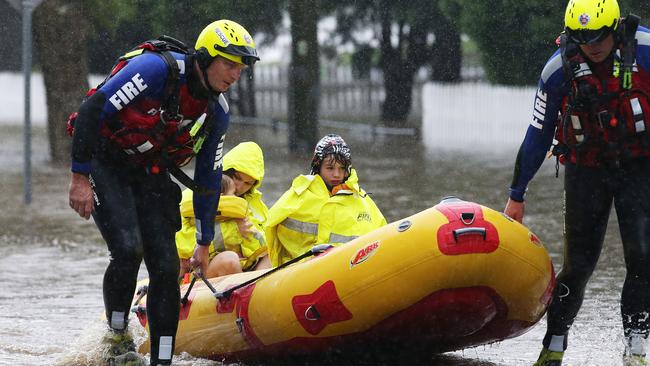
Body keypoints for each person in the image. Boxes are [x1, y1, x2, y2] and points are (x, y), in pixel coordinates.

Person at [67, 20, 259, 365]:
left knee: (167, 267)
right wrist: (79, 176)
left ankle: (163, 360)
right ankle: (117, 334)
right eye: (229, 65)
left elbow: (209, 177)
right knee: (128, 249)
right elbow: (92, 110)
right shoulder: (155, 69)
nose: (234, 76)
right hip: (104, 160)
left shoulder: (218, 112)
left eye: (240, 69)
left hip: (149, 170)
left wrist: (203, 242)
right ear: (204, 58)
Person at [503, 1, 650, 364]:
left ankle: (636, 348)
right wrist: (516, 194)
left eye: (599, 36)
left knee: (643, 259)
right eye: (582, 38)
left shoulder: (646, 50)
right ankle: (553, 346)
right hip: (587, 171)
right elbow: (537, 134)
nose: (592, 45)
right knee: (578, 265)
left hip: (641, 168)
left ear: (615, 28)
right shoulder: (557, 71)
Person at [266, 134, 387, 267]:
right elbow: (270, 232)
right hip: (300, 274)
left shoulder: (362, 199)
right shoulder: (298, 196)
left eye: (342, 168)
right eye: (330, 168)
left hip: (349, 272)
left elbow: (383, 239)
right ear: (318, 167)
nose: (337, 174)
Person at [176, 141, 271, 279]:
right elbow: (181, 249)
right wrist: (232, 228)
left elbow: (263, 246)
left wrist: (247, 235)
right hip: (201, 271)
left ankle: (258, 293)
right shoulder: (193, 196)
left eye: (248, 183)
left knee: (272, 255)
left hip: (244, 271)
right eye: (237, 178)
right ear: (225, 170)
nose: (239, 187)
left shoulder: (256, 205)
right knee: (229, 260)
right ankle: (247, 295)